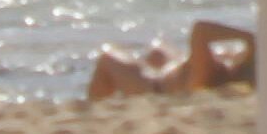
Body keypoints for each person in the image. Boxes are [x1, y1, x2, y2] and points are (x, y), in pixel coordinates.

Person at [82, 20, 255, 101]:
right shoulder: (222, 69)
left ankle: (94, 108)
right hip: (171, 74)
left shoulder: (208, 73)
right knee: (159, 48)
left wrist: (249, 37)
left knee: (107, 58)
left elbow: (200, 30)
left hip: (154, 87)